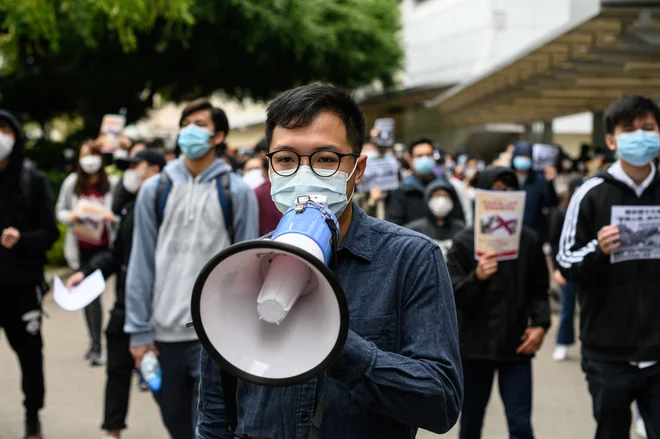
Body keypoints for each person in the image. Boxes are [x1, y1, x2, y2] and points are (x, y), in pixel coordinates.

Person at [196, 83, 463, 439]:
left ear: (358, 169)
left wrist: (338, 345)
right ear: (270, 168)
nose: (303, 174)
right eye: (286, 159)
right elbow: (214, 416)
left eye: (325, 159)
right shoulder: (236, 268)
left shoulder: (411, 259)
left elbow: (440, 402)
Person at [124, 98, 259, 439]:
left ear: (218, 136)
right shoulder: (154, 190)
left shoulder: (237, 192)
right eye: (186, 124)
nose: (189, 131)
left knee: (212, 428)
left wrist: (244, 331)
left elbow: (249, 267)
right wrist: (138, 331)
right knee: (175, 423)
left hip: (215, 335)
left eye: (199, 124)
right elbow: (140, 261)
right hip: (162, 333)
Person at [557, 94, 660, 439]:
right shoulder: (591, 193)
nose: (641, 136)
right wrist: (598, 250)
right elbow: (565, 262)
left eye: (648, 128)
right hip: (608, 352)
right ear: (612, 140)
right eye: (630, 129)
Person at [66, 149, 165, 439]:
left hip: (162, 312)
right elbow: (115, 255)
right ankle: (113, 431)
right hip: (125, 305)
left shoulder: (171, 208)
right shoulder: (130, 208)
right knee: (117, 373)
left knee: (168, 386)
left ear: (156, 170)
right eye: (129, 166)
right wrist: (85, 274)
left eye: (138, 165)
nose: (131, 172)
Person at [446, 165, 551, 439]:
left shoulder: (527, 241)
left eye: (508, 193)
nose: (501, 199)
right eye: (494, 193)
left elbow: (540, 287)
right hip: (473, 347)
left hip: (516, 345)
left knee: (520, 423)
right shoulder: (464, 242)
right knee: (470, 422)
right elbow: (452, 295)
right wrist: (477, 277)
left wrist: (540, 325)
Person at [0, 109, 59, 439]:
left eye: (4, 129)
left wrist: (22, 238)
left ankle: (32, 415)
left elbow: (50, 233)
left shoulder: (31, 179)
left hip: (21, 287)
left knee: (30, 357)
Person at [56, 139, 118, 366]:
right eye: (84, 154)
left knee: (94, 296)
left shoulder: (111, 183)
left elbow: (122, 213)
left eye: (93, 154)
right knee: (86, 297)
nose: (89, 160)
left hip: (103, 248)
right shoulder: (72, 183)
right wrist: (71, 216)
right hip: (80, 247)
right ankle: (94, 343)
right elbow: (60, 211)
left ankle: (97, 345)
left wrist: (111, 217)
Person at [387, 137, 472, 227]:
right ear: (411, 160)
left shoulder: (446, 187)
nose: (425, 159)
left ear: (434, 158)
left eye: (428, 155)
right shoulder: (403, 191)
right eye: (419, 156)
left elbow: (459, 221)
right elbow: (395, 225)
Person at [549, 176, 583, 362]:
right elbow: (555, 242)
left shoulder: (591, 208)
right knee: (567, 308)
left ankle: (589, 345)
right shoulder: (561, 212)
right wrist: (557, 268)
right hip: (567, 267)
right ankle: (562, 343)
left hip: (588, 267)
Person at [404, 180, 465, 259]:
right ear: (428, 199)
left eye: (446, 196)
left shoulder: (461, 230)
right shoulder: (414, 230)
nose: (441, 200)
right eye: (437, 196)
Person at [510, 140, 558, 236]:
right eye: (520, 156)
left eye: (527, 156)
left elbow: (551, 202)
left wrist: (550, 183)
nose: (523, 159)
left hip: (533, 233)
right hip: (510, 231)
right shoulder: (507, 179)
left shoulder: (539, 180)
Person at [244, 156, 282, 236]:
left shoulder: (262, 192)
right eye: (250, 169)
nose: (254, 173)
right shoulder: (254, 194)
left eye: (257, 168)